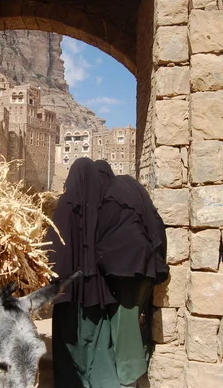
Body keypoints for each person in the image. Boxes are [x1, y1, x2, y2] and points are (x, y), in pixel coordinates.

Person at [48, 158, 168, 388]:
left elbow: (55, 250)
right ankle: (118, 378)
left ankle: (124, 377)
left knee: (84, 334)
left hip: (70, 289)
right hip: (105, 284)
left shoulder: (69, 205)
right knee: (106, 335)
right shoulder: (110, 200)